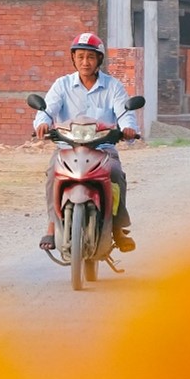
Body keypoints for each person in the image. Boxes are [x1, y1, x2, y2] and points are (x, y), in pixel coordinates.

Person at [34, 31, 138, 253]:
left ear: (99, 59)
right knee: (53, 173)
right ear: (73, 58)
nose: (85, 62)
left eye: (90, 57)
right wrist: (42, 123)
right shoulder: (62, 85)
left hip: (103, 148)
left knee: (117, 175)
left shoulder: (113, 86)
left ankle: (117, 229)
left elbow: (124, 113)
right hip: (67, 147)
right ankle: (52, 226)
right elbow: (47, 109)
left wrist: (128, 129)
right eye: (80, 56)